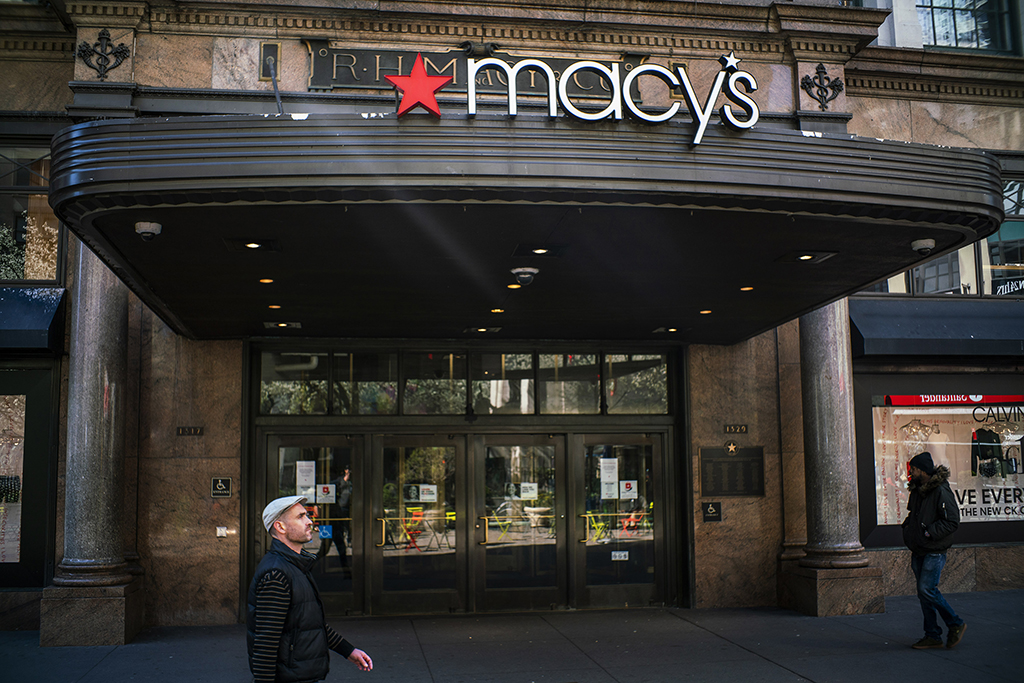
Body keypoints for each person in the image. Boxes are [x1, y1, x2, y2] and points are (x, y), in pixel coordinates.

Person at [248, 495, 373, 682]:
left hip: (301, 674)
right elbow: (265, 642)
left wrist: (348, 650)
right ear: (280, 527)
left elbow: (309, 624)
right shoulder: (277, 573)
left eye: (307, 516)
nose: (309, 522)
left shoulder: (296, 565)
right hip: (290, 677)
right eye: (300, 517)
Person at [901, 452, 966, 650]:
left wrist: (929, 532)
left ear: (922, 470)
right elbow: (915, 514)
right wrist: (908, 528)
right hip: (919, 548)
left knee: (927, 589)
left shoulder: (940, 491)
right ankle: (932, 635)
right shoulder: (918, 489)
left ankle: (955, 623)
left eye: (913, 469)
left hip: (934, 549)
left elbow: (952, 521)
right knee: (924, 594)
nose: (910, 472)